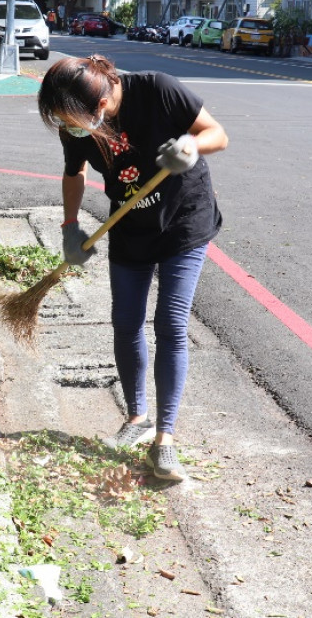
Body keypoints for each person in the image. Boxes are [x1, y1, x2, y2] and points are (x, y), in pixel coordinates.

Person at [36, 55, 228, 482]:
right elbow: (74, 173)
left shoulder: (158, 88)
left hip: (183, 221)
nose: (69, 128)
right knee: (125, 323)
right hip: (128, 224)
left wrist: (192, 146)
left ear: (101, 103)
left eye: (73, 119)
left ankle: (165, 439)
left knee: (171, 323)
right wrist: (70, 227)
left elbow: (218, 133)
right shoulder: (77, 123)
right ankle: (136, 419)